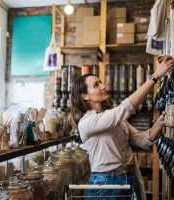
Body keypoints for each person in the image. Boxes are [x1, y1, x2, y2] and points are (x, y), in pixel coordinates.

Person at [70, 56, 174, 200]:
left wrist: (161, 122)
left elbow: (143, 140)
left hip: (129, 179)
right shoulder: (86, 123)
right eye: (96, 85)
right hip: (105, 185)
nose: (103, 86)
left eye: (101, 82)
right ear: (85, 96)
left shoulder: (115, 118)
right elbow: (125, 108)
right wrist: (155, 76)